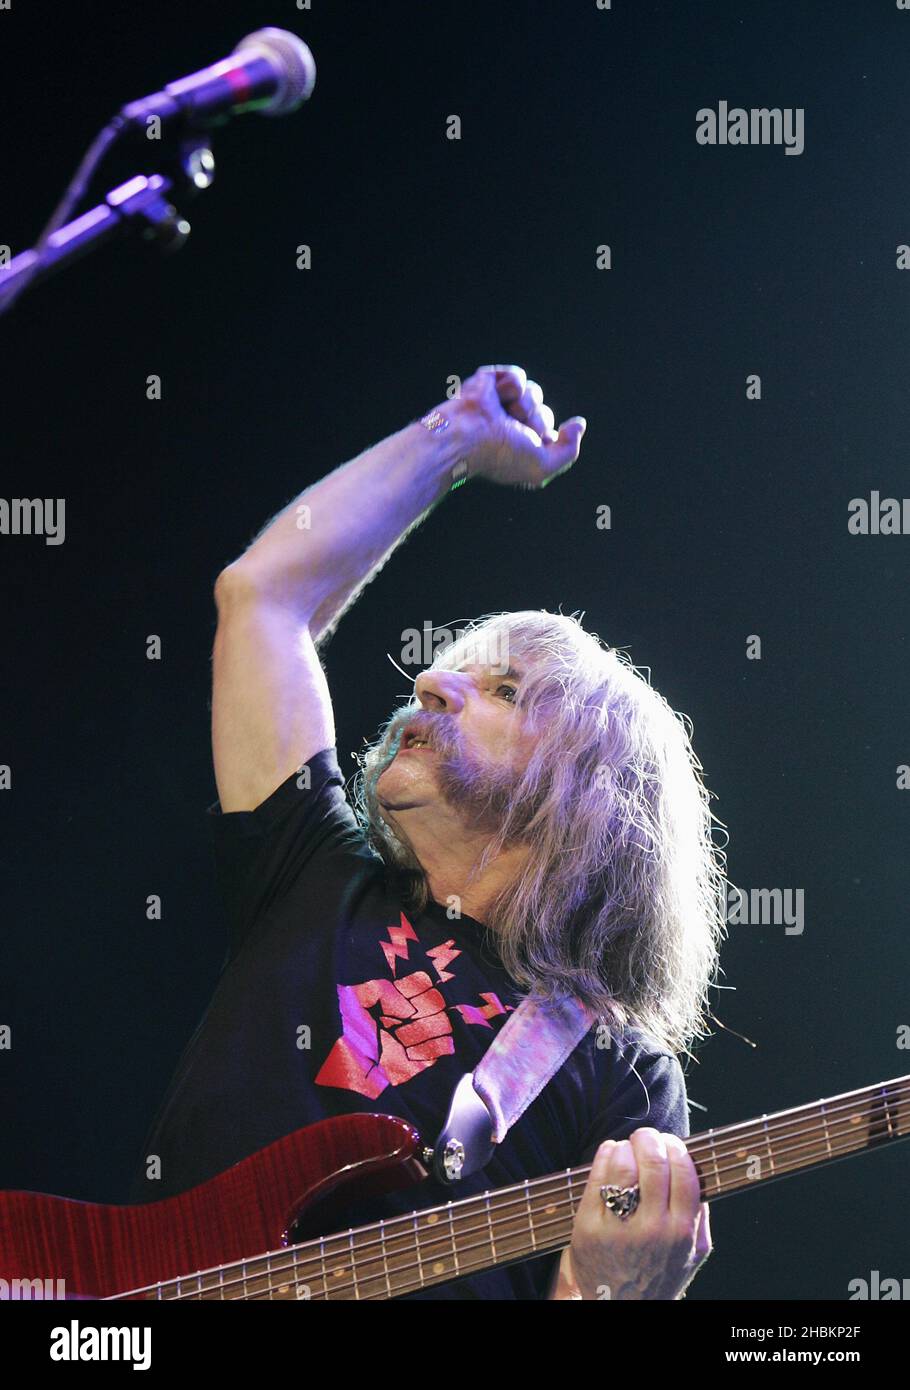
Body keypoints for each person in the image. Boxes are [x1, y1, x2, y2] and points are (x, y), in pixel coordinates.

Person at [130, 365, 722, 1300]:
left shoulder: (614, 1070)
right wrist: (453, 439)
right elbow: (265, 598)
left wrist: (613, 1293)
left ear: (589, 790)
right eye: (446, 672)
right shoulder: (318, 873)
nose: (432, 685)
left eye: (503, 691)